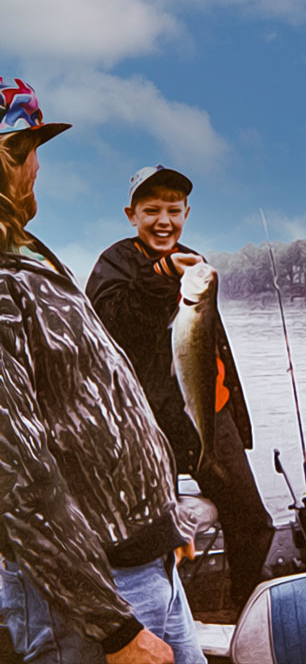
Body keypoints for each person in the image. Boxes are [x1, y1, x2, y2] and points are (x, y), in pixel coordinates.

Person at [0, 77, 207, 663]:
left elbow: (87, 404)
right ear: (10, 158)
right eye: (30, 148)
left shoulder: (27, 252)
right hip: (97, 598)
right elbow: (14, 471)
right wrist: (113, 628)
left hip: (147, 560)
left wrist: (162, 522)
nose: (38, 166)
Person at [86, 165, 274, 606]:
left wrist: (235, 418)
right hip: (145, 424)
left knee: (251, 520)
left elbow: (207, 345)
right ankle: (166, 612)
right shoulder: (114, 262)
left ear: (187, 212)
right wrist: (163, 272)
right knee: (152, 531)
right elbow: (112, 319)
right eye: (152, 210)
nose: (164, 220)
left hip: (208, 412)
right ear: (131, 215)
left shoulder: (195, 263)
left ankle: (247, 607)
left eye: (174, 209)